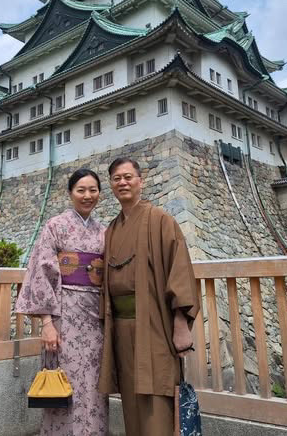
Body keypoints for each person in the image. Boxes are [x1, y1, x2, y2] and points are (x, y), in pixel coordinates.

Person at [99, 157, 199, 436]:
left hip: (154, 323)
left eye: (128, 177)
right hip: (121, 327)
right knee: (131, 399)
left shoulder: (160, 220)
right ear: (111, 185)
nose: (122, 182)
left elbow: (179, 271)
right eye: (116, 178)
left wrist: (181, 325)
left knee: (157, 392)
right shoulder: (112, 229)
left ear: (140, 181)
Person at [15, 168, 109, 435]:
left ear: (99, 194)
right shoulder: (55, 226)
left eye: (93, 190)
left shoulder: (104, 232)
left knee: (94, 384)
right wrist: (47, 324)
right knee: (61, 381)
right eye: (81, 190)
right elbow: (41, 272)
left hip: (95, 318)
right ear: (70, 193)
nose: (87, 195)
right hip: (62, 316)